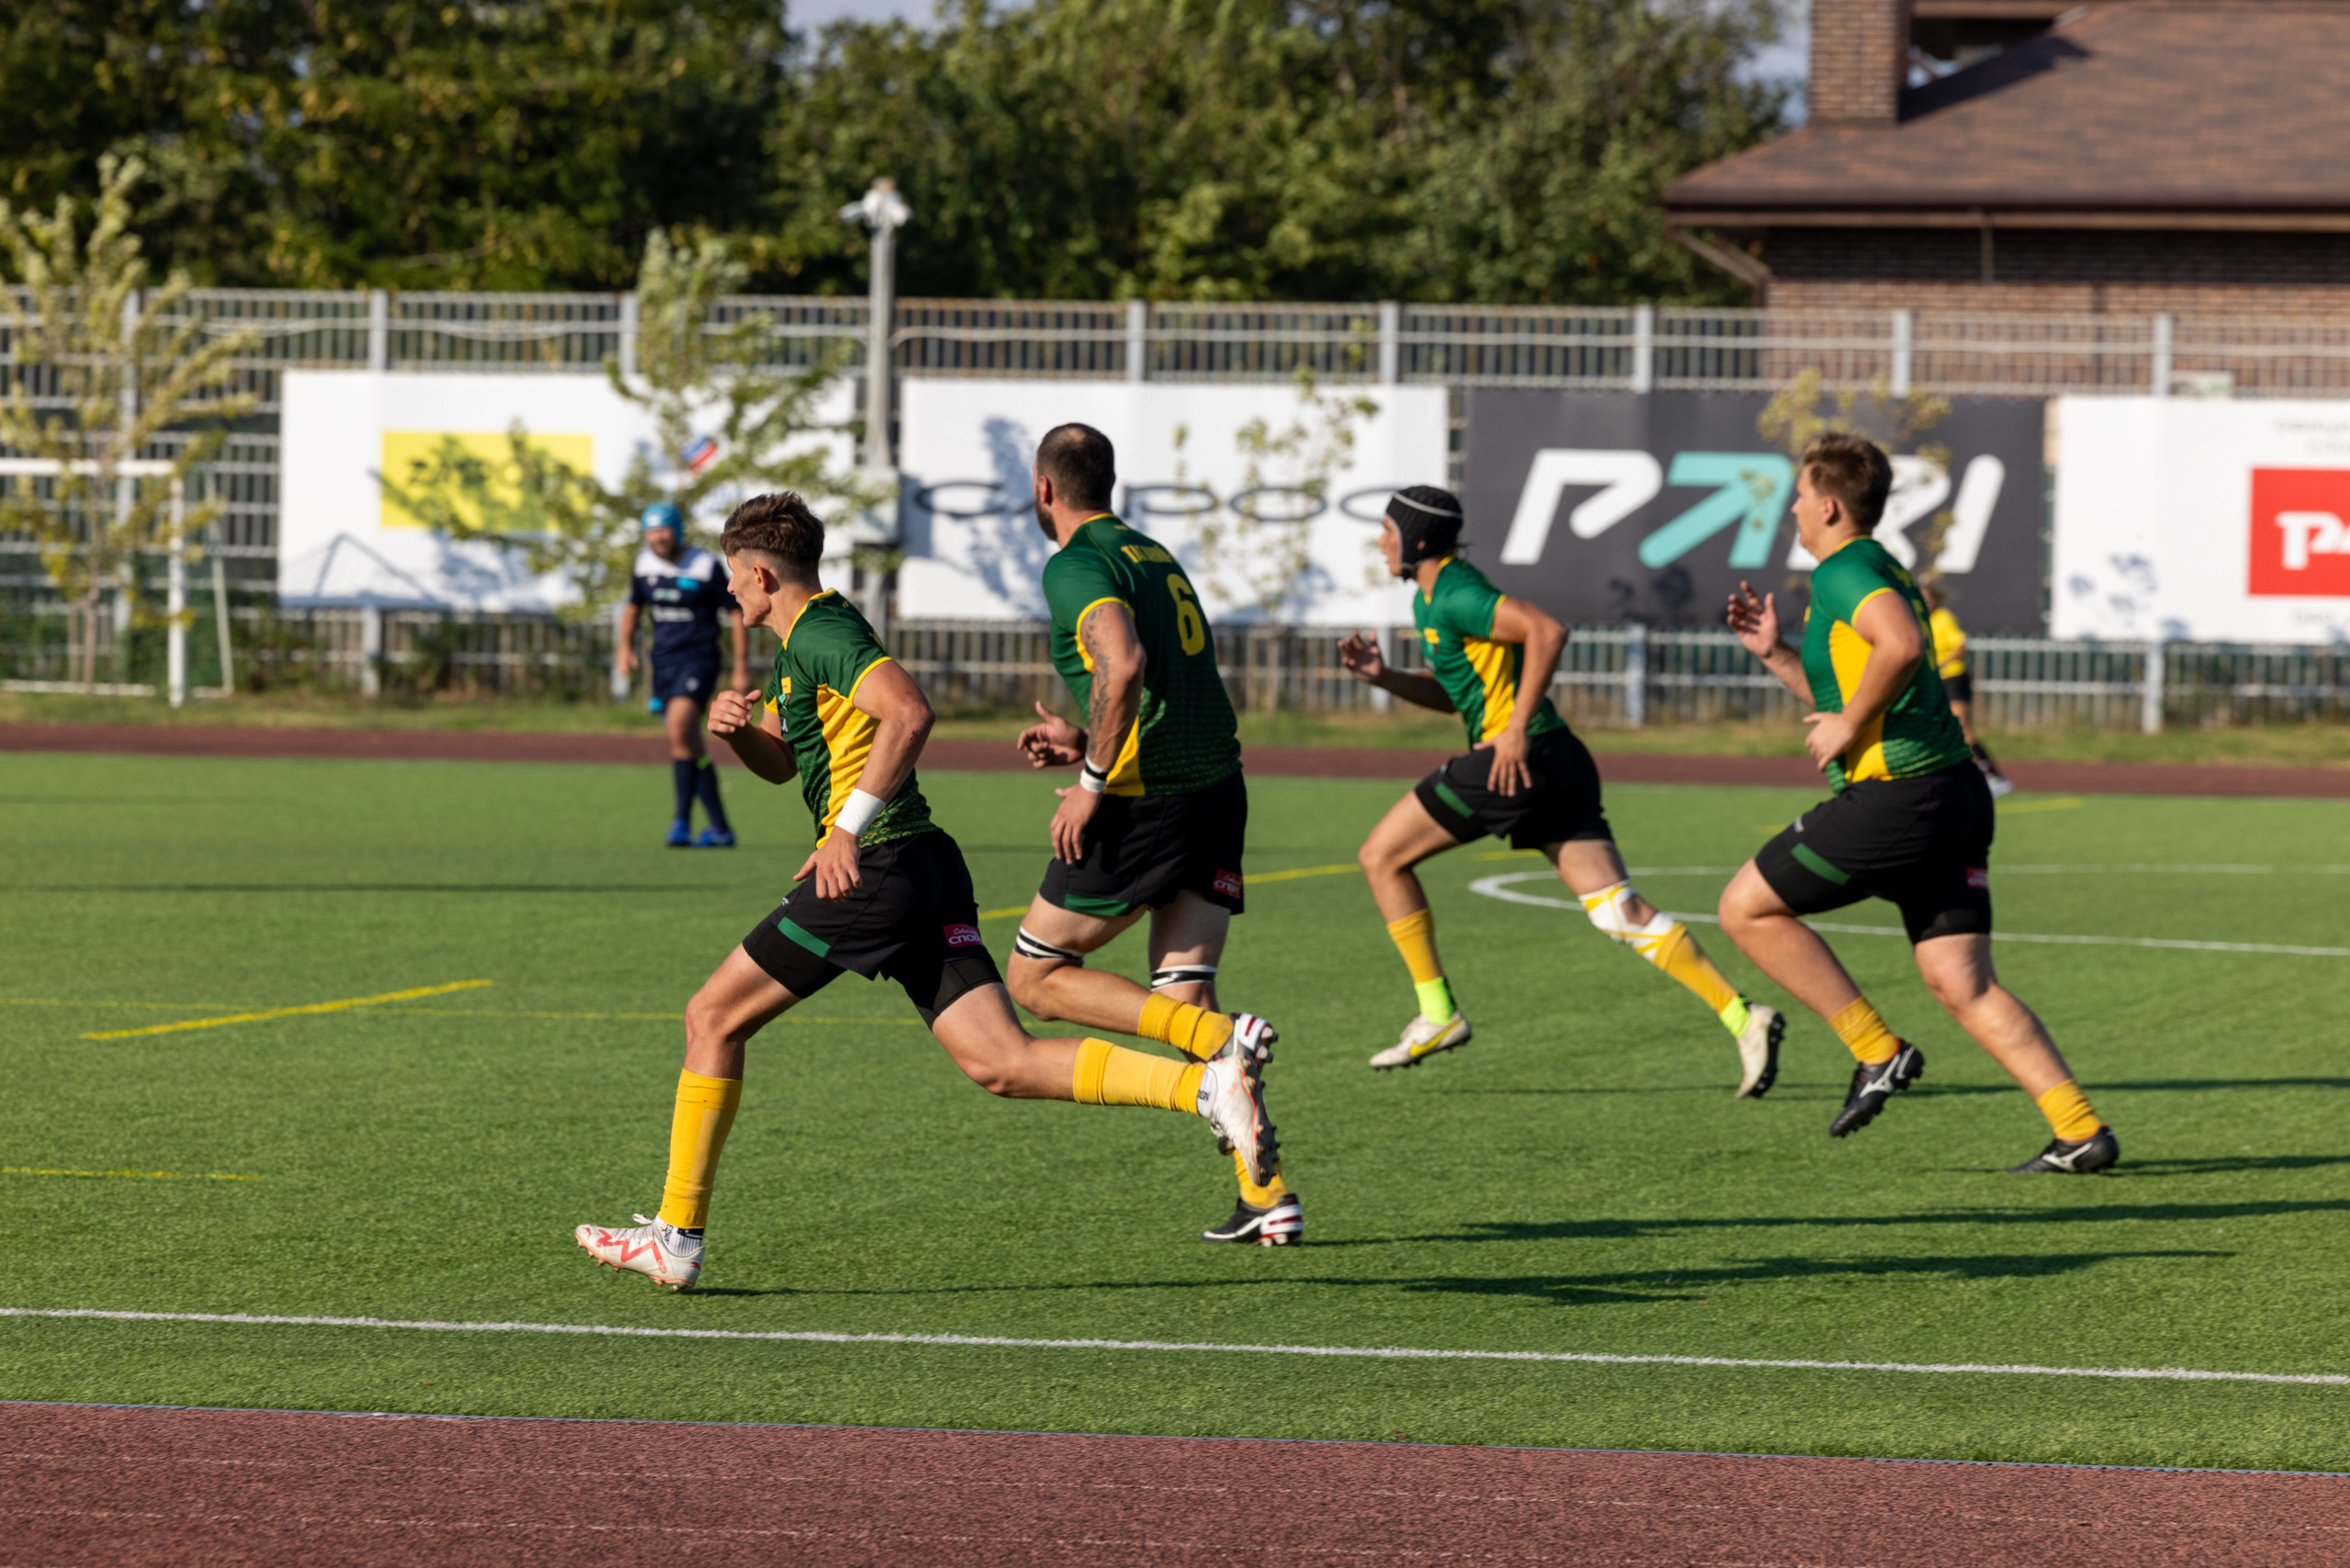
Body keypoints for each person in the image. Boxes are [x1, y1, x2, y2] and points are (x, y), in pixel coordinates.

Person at [575, 492, 1281, 1291]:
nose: (727, 592)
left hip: (873, 863)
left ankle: (676, 1234)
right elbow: (782, 759)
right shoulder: (804, 637)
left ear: (762, 574)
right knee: (1001, 1062)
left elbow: (911, 712)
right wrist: (739, 732)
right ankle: (1205, 1084)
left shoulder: (825, 633)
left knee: (712, 1016)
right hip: (919, 863)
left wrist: (846, 828)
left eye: (735, 578)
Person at [1718, 433, 2117, 1173]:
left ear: (1830, 505)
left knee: (1746, 908)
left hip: (1903, 797)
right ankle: (2079, 1130)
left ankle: (1876, 1049)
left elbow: (1899, 649)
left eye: (1801, 496)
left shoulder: (1844, 569)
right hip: (1952, 794)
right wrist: (1776, 654)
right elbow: (1856, 696)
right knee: (1962, 982)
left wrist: (1846, 724)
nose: (1795, 509)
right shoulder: (1876, 569)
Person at [1336, 487, 1785, 1095]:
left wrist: (1514, 729)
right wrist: (1384, 677)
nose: (1379, 541)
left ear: (1417, 539)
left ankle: (1439, 1015)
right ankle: (1743, 1017)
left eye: (1388, 530)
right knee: (1619, 912)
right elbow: (1455, 695)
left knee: (1380, 857)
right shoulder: (1433, 597)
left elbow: (1548, 629)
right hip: (1556, 758)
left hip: (1511, 760)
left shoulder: (1460, 593)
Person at [1003, 422, 1300, 1247]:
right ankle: (1265, 1192)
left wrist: (1092, 782)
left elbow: (1124, 667)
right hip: (1215, 788)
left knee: (1034, 975)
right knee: (1181, 991)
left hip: (1148, 804)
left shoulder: (1075, 564)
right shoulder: (1150, 552)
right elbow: (1167, 684)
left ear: (1044, 489)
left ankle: (1224, 1044)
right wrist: (1082, 736)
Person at [617, 500, 749, 847]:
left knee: (679, 729)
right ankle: (720, 827)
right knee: (687, 744)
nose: (658, 538)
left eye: (664, 530)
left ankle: (680, 822)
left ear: (677, 530)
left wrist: (740, 666)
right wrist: (624, 648)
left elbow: (735, 615)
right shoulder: (643, 564)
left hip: (699, 660)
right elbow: (633, 606)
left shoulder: (704, 566)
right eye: (652, 531)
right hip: (662, 665)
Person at [1919, 579, 2012, 798]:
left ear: (1933, 599)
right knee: (1937, 731)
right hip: (1935, 681)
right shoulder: (1919, 621)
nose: (1923, 602)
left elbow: (1961, 646)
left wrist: (1941, 663)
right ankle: (1957, 778)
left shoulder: (1943, 619)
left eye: (1926, 597)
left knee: (1963, 732)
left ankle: (1994, 777)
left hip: (1953, 678)